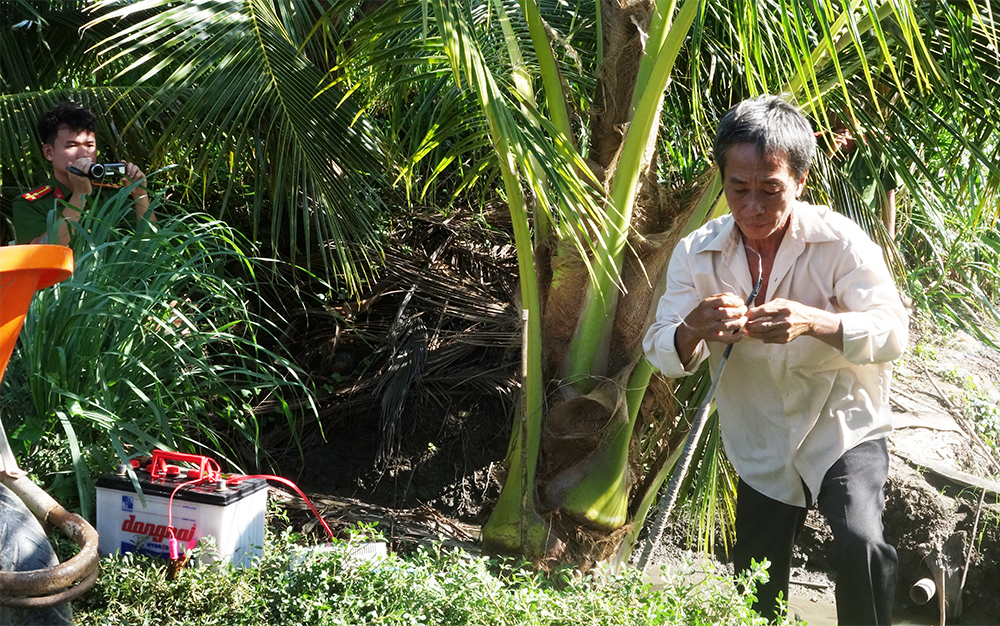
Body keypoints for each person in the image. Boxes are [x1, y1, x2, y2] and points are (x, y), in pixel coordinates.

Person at [643, 95, 907, 625]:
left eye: (771, 190)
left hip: (842, 420)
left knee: (861, 540)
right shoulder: (696, 253)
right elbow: (660, 347)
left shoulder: (841, 243)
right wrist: (693, 327)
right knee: (756, 585)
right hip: (758, 429)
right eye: (738, 190)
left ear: (801, 181)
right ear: (723, 180)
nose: (753, 206)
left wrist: (816, 322)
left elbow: (894, 332)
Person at [11, 101, 154, 245]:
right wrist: (79, 196)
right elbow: (40, 255)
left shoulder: (114, 196)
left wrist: (140, 194)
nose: (83, 154)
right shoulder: (29, 204)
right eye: (72, 146)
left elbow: (151, 248)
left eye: (89, 145)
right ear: (49, 152)